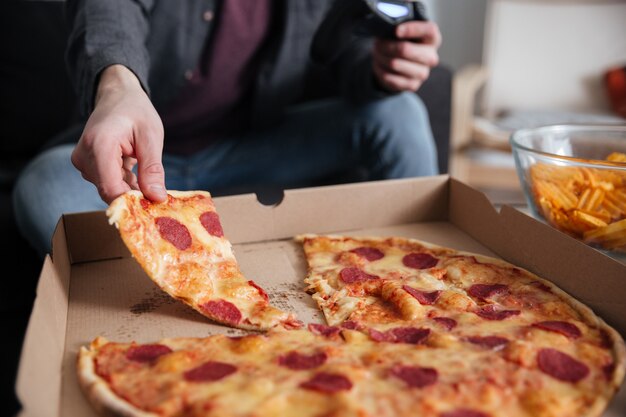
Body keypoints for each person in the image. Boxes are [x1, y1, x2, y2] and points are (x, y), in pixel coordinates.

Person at [13, 0, 442, 259]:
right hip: (134, 165)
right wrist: (118, 84)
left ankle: (415, 283)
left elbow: (342, 48)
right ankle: (171, 288)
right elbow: (110, 11)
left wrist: (381, 67)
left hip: (255, 147)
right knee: (43, 187)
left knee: (400, 114)